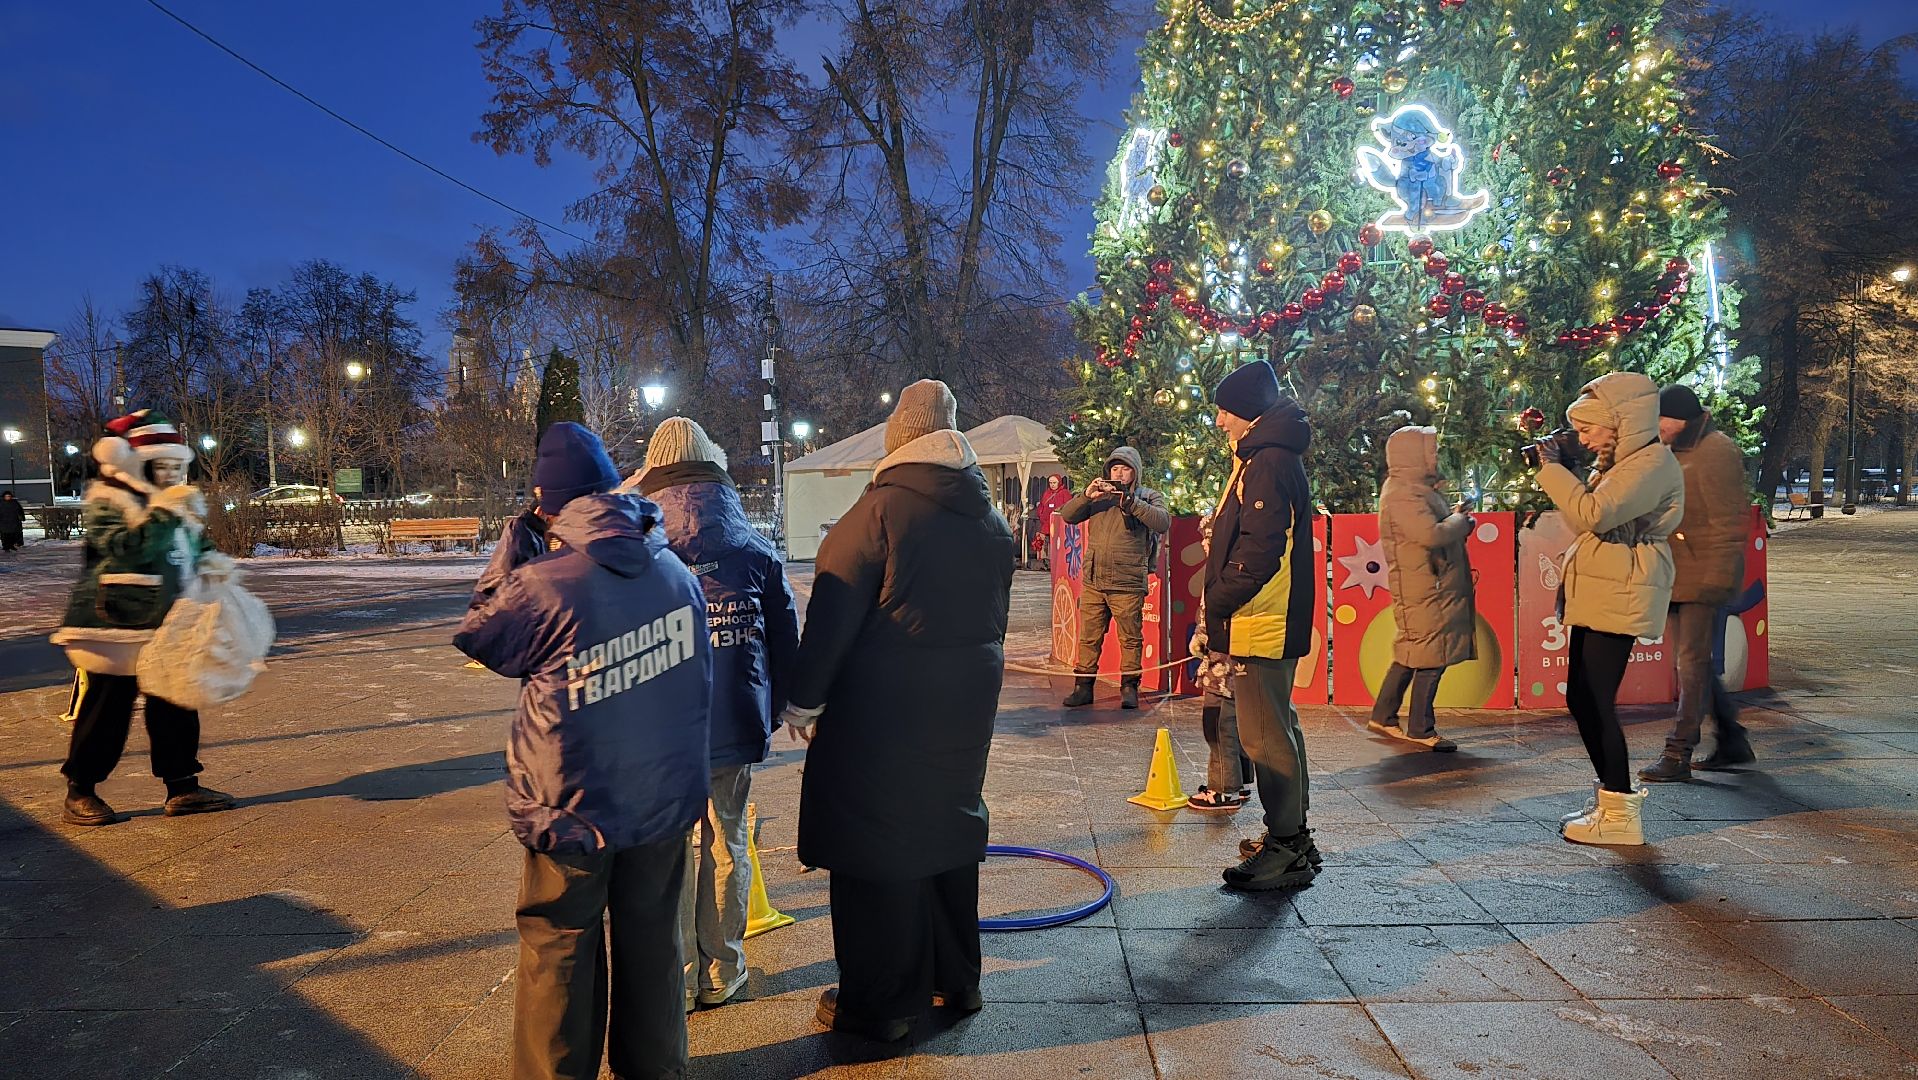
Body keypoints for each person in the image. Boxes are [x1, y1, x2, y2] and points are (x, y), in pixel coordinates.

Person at [455, 421, 713, 1080]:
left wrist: (514, 549)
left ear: (548, 504)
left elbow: (483, 637)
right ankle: (656, 1069)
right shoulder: (675, 573)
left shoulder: (544, 582)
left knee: (559, 945)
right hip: (661, 799)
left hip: (571, 805)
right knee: (654, 939)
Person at [783, 380, 1014, 1043]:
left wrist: (804, 700)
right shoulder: (989, 519)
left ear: (898, 442)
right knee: (945, 832)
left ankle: (882, 1004)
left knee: (875, 844)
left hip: (881, 714)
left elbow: (831, 619)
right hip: (965, 706)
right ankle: (956, 978)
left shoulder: (878, 513)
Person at [624, 416, 800, 1011]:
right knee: (728, 838)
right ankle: (722, 971)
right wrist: (777, 709)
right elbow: (785, 637)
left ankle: (673, 973)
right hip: (732, 719)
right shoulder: (752, 547)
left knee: (668, 851)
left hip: (656, 730)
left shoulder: (636, 545)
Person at [50, 410, 235, 826]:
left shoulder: (176, 502)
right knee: (107, 708)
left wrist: (212, 563)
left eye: (177, 465)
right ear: (139, 463)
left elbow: (193, 546)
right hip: (115, 622)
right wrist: (165, 515)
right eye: (162, 465)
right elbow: (123, 548)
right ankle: (81, 789)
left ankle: (182, 786)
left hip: (171, 620)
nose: (171, 473)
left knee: (175, 702)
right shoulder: (108, 499)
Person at [1531, 373, 1684, 846]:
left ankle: (1621, 813)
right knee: (1581, 698)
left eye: (1588, 429)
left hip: (1624, 585)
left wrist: (1553, 469)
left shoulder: (1651, 462)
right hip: (1607, 585)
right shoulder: (1625, 463)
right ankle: (1611, 801)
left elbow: (1594, 514)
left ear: (1620, 422)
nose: (1582, 438)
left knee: (1596, 699)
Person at [1203, 360, 1322, 891]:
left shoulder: (1267, 461)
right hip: (1264, 616)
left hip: (1261, 619)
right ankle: (1293, 837)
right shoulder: (1266, 456)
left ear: (1248, 413)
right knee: (1279, 729)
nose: (1220, 422)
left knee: (1265, 738)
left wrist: (1219, 602)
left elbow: (1260, 549)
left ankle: (1286, 848)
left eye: (1225, 412)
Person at [1640, 385, 1755, 781]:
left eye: (1662, 419)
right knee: (1697, 663)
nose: (1657, 426)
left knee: (1690, 665)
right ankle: (1732, 738)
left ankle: (1677, 753)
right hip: (1679, 572)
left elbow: (1726, 520)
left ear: (1682, 418)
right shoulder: (1675, 449)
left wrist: (1715, 577)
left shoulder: (1715, 451)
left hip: (1702, 575)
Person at [1367, 426, 1476, 753]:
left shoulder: (1410, 489)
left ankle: (1384, 715)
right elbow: (1429, 534)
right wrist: (1462, 523)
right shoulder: (1404, 493)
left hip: (1427, 583)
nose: (1436, 456)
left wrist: (1453, 515)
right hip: (1427, 585)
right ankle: (1420, 728)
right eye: (1431, 451)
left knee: (1414, 650)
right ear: (1414, 455)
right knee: (1431, 654)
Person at [1060, 447, 1170, 710]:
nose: (1119, 473)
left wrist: (1130, 502)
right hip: (1094, 579)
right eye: (1114, 468)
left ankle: (1129, 687)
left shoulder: (1147, 496)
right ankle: (1083, 687)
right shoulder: (1097, 497)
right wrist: (1087, 495)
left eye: (1125, 468)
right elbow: (1068, 515)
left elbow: (1162, 522)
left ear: (1136, 472)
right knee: (1089, 636)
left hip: (1127, 581)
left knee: (1130, 638)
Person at [1188, 512, 1252, 811]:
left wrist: (1206, 635)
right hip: (1223, 654)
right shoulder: (1234, 567)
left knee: (1218, 721)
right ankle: (1238, 782)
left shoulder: (1228, 572)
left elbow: (1217, 607)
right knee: (1231, 720)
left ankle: (1223, 788)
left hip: (1225, 657)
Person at [1034, 473, 1074, 569]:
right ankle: (1050, 564)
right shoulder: (1047, 493)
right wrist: (1040, 514)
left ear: (1059, 482)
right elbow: (1042, 506)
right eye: (1050, 483)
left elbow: (1068, 507)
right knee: (1049, 547)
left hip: (1059, 525)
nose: (1052, 485)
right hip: (1046, 525)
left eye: (1054, 483)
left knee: (1058, 546)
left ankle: (1059, 565)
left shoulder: (1064, 493)